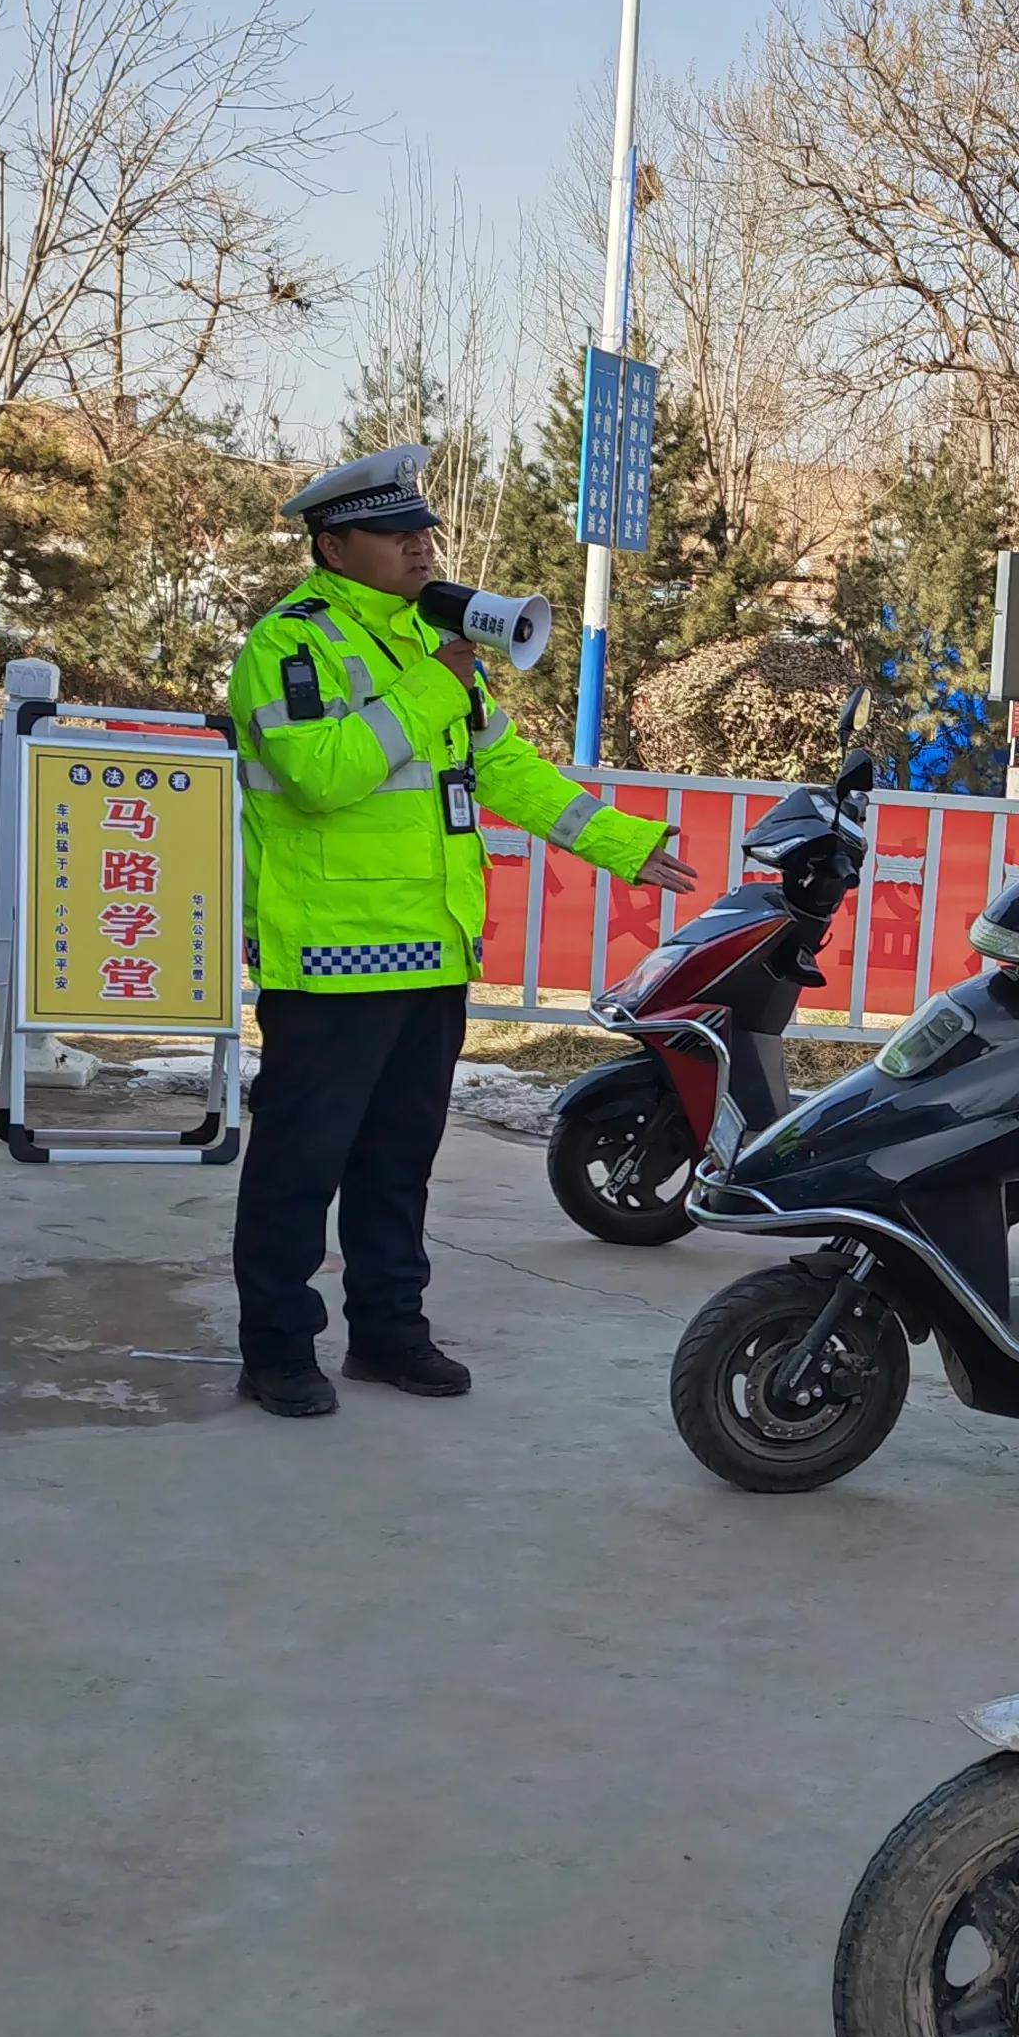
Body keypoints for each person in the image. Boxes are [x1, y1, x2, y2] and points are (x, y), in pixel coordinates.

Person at [225, 446, 697, 1419]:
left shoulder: (423, 648)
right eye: (397, 534)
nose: (422, 548)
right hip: (328, 960)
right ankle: (277, 1349)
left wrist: (620, 844)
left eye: (425, 531)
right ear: (333, 543)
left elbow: (504, 770)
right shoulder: (293, 646)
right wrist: (437, 685)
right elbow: (322, 773)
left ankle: (389, 1334)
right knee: (298, 1167)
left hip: (431, 951)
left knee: (398, 1162)